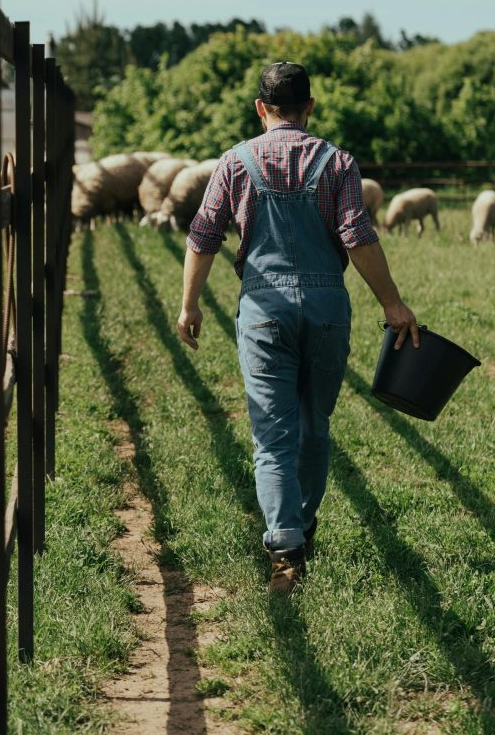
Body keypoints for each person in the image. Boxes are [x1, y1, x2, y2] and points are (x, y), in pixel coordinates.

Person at [176, 61, 419, 596]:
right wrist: (394, 304)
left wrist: (190, 304)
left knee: (273, 434)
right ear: (310, 107)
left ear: (261, 109)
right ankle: (303, 527)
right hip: (327, 306)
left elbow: (203, 234)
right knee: (314, 423)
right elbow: (357, 237)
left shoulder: (235, 162)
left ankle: (286, 549)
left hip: (263, 309)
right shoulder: (338, 162)